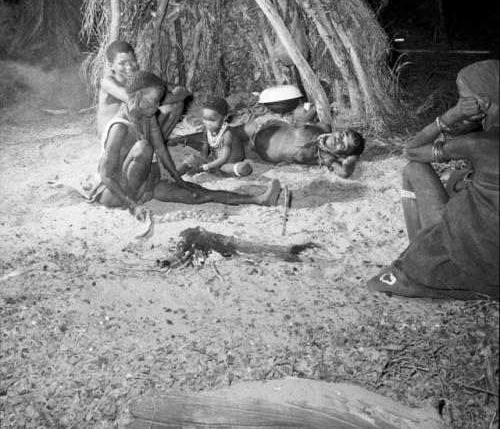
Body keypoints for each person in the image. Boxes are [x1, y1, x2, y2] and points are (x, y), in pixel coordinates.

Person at [367, 59, 499, 300]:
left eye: (463, 98)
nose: (461, 103)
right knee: (459, 184)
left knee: (414, 170)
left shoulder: (479, 143)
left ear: (483, 103)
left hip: (484, 261)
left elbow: (412, 150)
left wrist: (452, 115)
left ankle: (415, 255)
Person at [89, 71, 282, 221]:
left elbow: (163, 153)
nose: (157, 107)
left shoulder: (147, 117)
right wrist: (132, 206)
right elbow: (106, 175)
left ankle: (260, 199)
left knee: (197, 193)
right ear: (138, 97)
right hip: (116, 194)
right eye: (155, 101)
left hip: (144, 186)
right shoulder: (119, 128)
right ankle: (136, 199)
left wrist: (179, 180)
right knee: (143, 148)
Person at [170, 120, 365, 179]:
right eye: (341, 134)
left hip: (253, 153)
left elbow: (343, 172)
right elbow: (304, 116)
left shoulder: (324, 156)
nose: (337, 139)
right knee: (222, 132)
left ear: (341, 153)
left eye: (341, 144)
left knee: (226, 150)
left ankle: (195, 162)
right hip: (259, 129)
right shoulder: (324, 128)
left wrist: (351, 160)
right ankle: (180, 140)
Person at [96, 40, 191, 140]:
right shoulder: (107, 82)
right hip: (113, 136)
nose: (129, 66)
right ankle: (148, 146)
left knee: (177, 105)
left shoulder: (138, 78)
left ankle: (155, 146)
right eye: (122, 63)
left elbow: (183, 91)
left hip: (131, 128)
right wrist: (169, 97)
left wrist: (170, 95)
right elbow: (133, 100)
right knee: (158, 107)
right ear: (111, 66)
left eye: (132, 60)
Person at [177, 97, 252, 177]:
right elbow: (205, 146)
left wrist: (204, 167)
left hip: (228, 160)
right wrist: (204, 157)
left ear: (224, 118)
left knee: (225, 168)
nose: (208, 123)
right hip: (215, 158)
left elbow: (223, 158)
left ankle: (240, 168)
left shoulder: (227, 133)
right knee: (194, 158)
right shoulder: (207, 129)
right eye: (205, 119)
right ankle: (175, 174)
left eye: (212, 120)